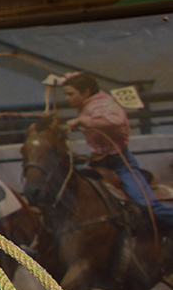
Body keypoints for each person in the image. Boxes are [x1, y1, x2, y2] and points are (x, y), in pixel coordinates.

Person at [62, 72, 173, 235]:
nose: (67, 98)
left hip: (120, 162)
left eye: (70, 94)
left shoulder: (105, 104)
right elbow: (73, 78)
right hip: (98, 162)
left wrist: (81, 121)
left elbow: (116, 120)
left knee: (145, 204)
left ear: (85, 92)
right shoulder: (90, 101)